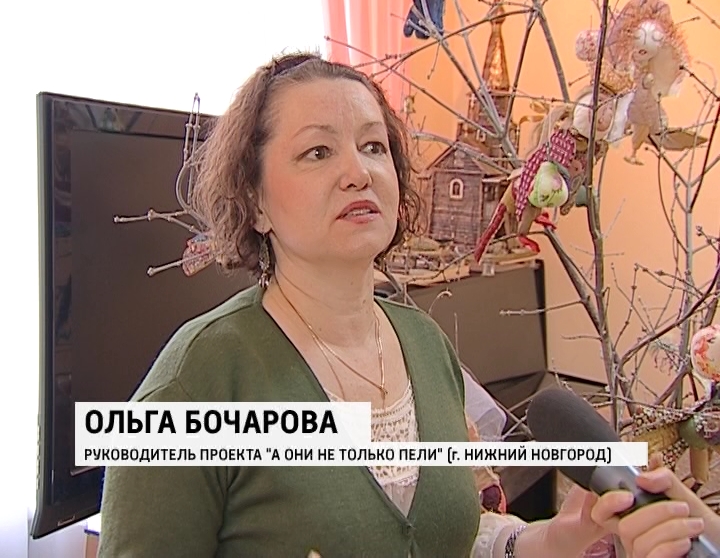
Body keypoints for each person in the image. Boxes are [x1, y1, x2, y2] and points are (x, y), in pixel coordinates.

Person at [97, 52, 720, 558]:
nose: (359, 172)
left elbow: (459, 534)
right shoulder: (196, 381)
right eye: (318, 152)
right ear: (255, 201)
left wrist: (558, 538)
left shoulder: (424, 345)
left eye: (374, 147)